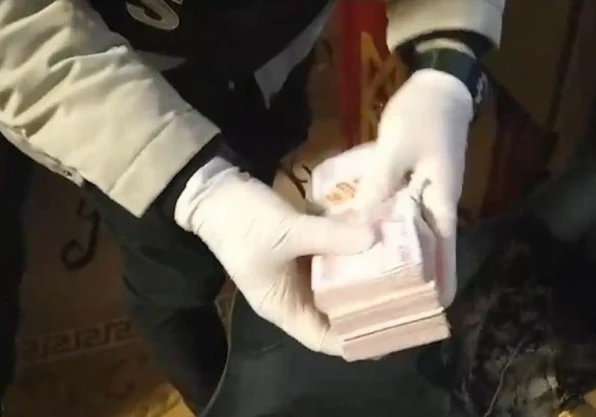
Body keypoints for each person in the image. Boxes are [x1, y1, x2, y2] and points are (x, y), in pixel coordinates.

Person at [0, 0, 505, 412]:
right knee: (170, 281)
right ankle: (207, 393)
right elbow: (17, 29)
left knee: (263, 154)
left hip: (270, 70)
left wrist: (446, 61)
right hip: (120, 91)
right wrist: (190, 186)